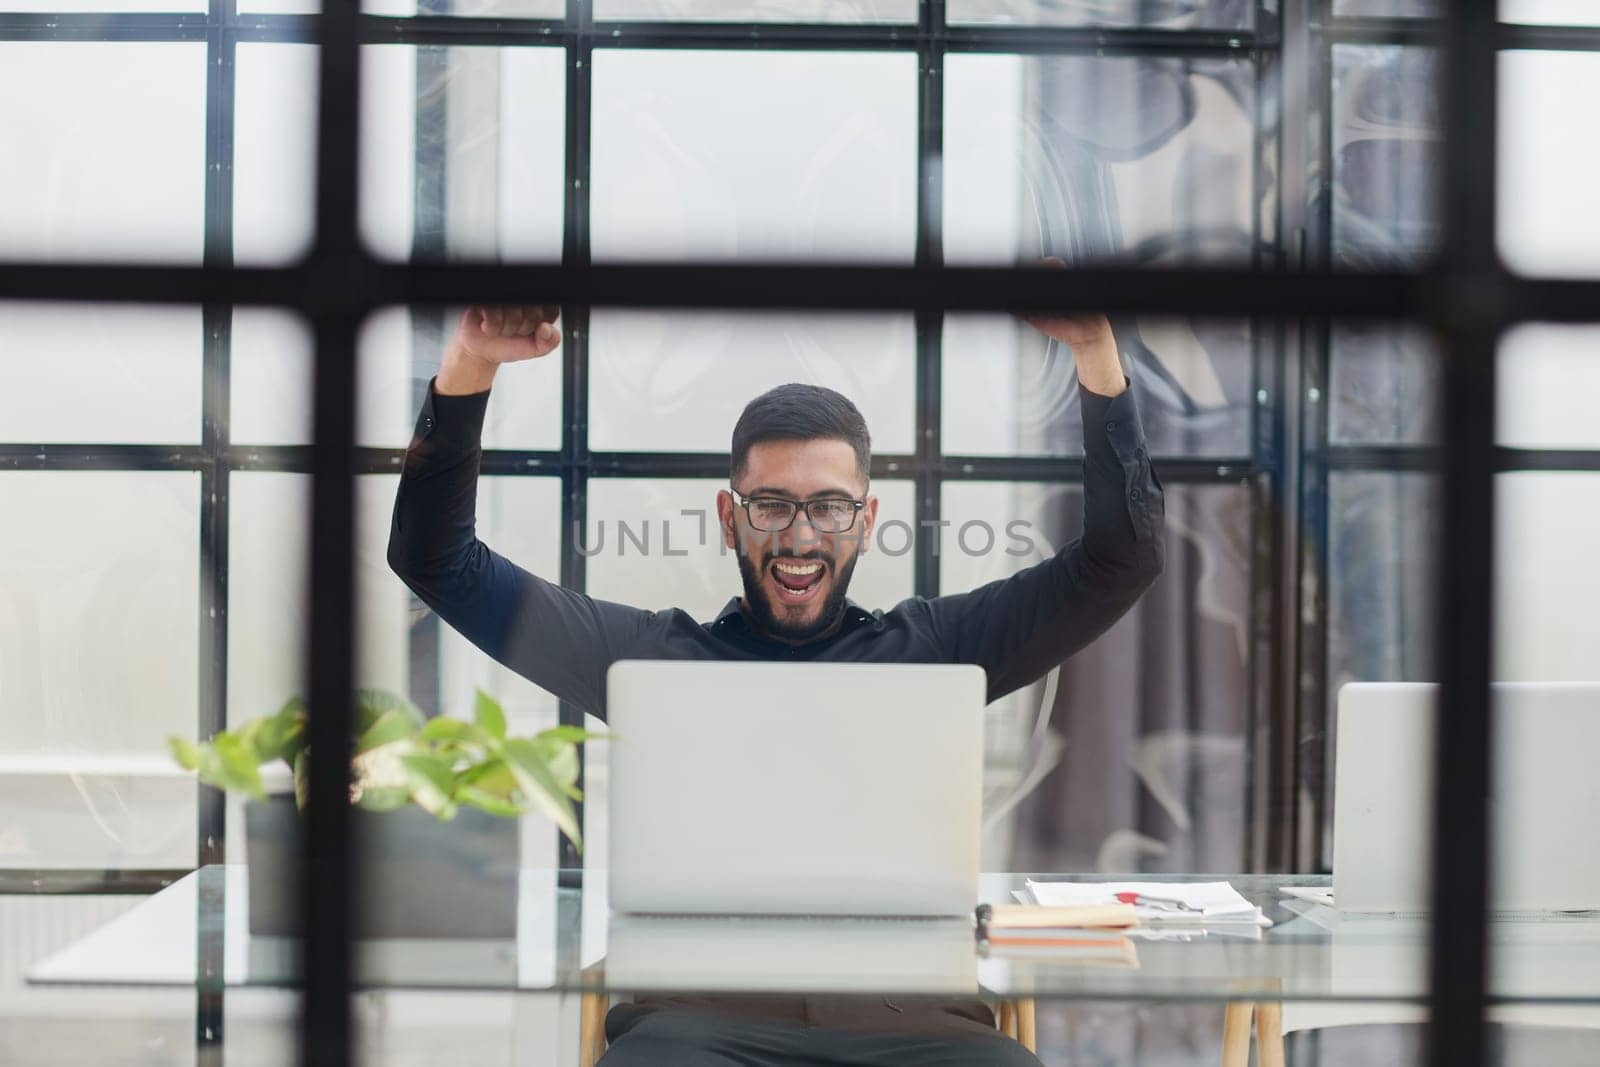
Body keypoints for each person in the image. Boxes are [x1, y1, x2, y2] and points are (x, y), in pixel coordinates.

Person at [388, 298, 1165, 1066]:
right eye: (771, 506)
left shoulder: (936, 649)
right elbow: (438, 563)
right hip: (696, 1027)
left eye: (829, 507)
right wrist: (471, 366)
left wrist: (1096, 352)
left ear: (865, 520)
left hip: (915, 1027)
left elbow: (1120, 561)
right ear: (729, 518)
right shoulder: (651, 660)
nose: (800, 535)